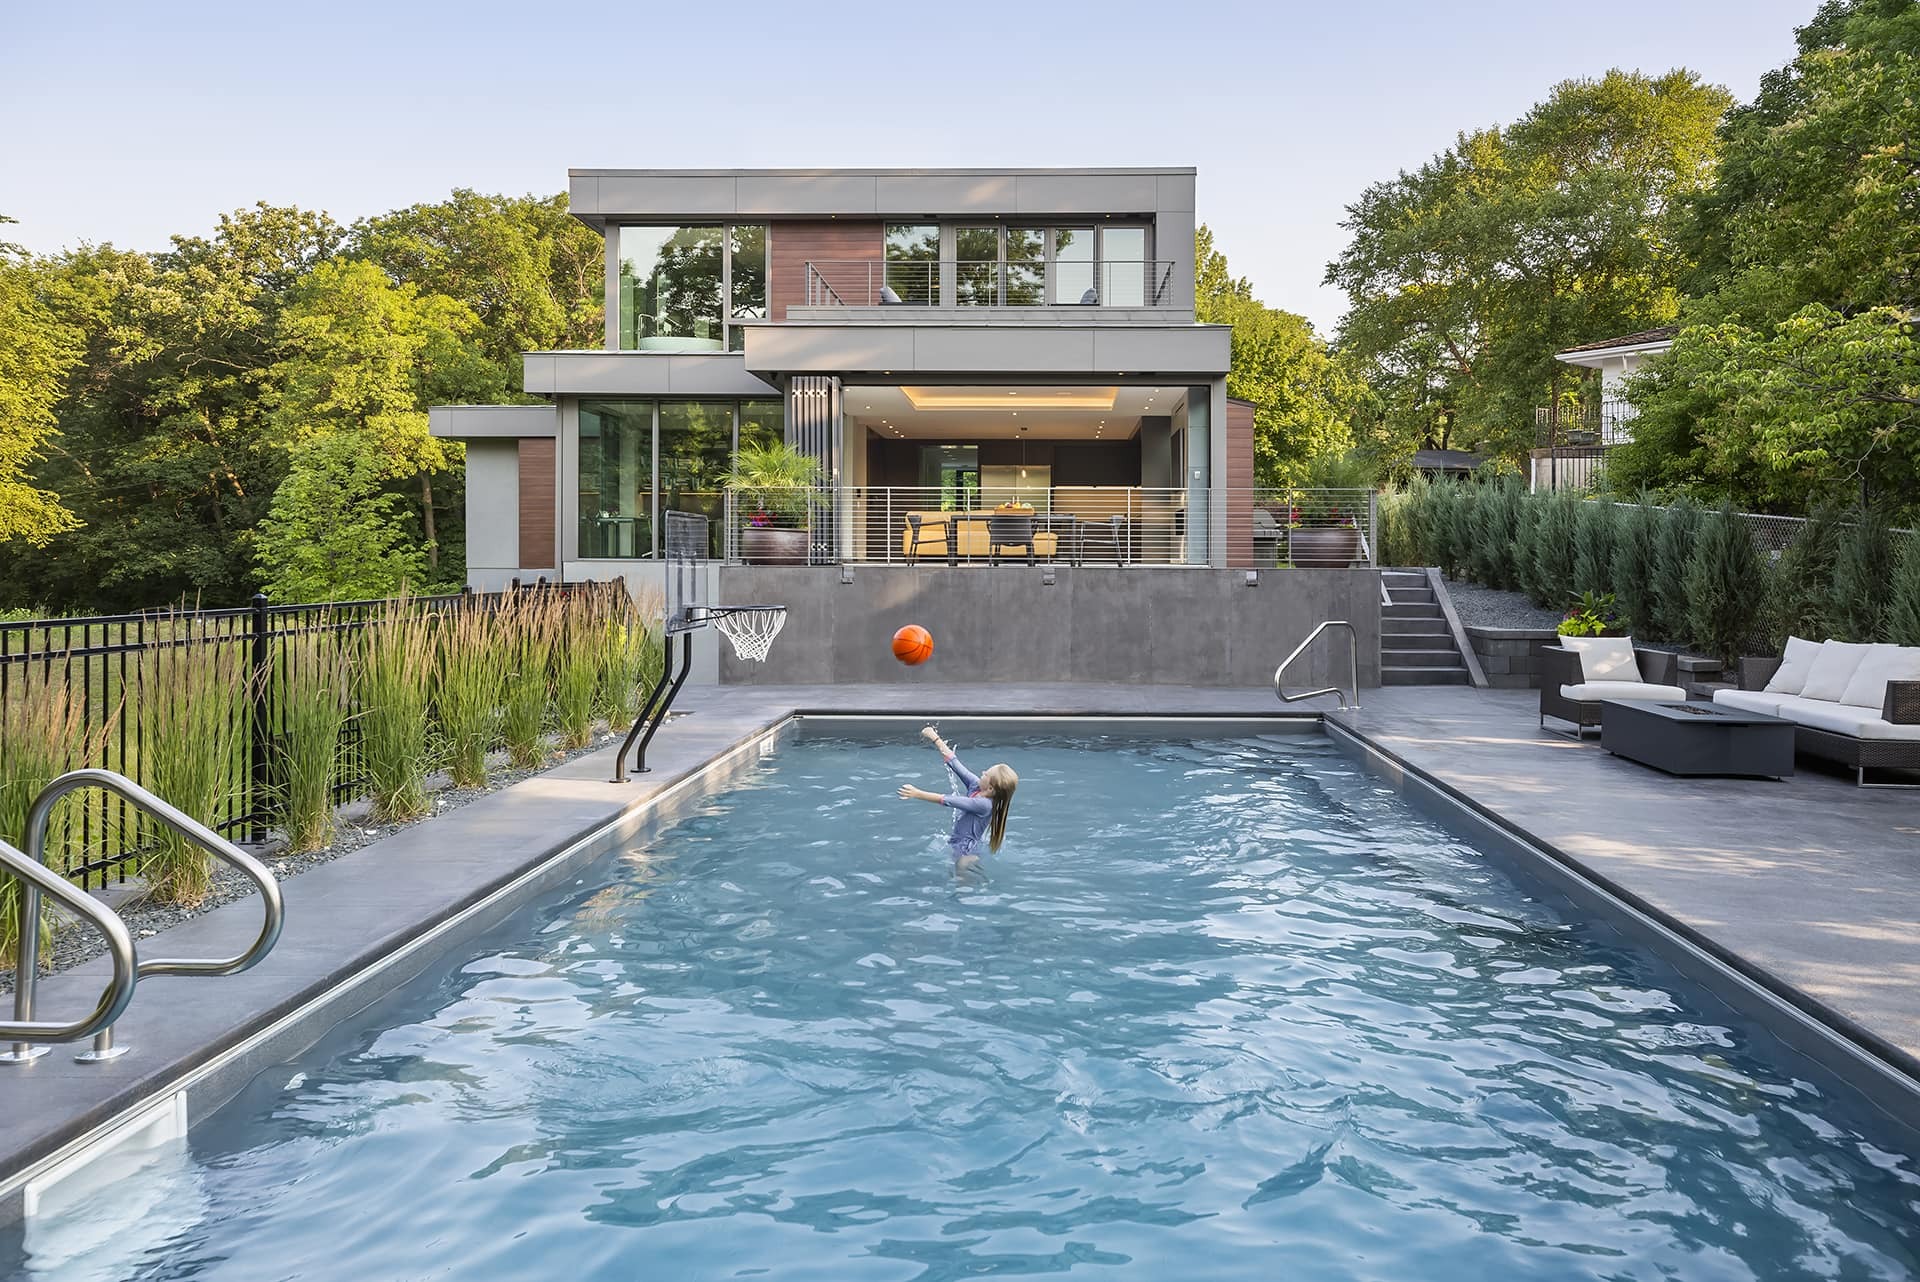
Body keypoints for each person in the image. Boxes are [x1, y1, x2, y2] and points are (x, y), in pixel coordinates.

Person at [896, 727, 1017, 875]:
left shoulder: (984, 805)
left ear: (991, 788)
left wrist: (917, 793)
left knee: (961, 878)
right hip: (957, 844)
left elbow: (947, 800)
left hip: (965, 852)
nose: (982, 773)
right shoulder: (977, 786)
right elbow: (954, 763)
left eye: (986, 774)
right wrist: (935, 738)